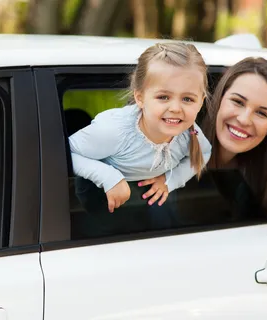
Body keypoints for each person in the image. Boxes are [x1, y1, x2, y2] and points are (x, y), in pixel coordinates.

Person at [68, 42, 212, 236]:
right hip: (97, 195)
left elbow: (204, 153)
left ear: (201, 101)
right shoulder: (116, 132)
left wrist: (170, 180)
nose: (176, 108)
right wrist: (108, 177)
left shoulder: (190, 133)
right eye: (163, 97)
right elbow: (64, 152)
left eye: (187, 99)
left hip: (146, 192)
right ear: (140, 98)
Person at [187, 56, 267, 224]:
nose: (244, 119)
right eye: (238, 102)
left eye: (262, 113)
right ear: (219, 99)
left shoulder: (256, 186)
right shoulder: (169, 153)